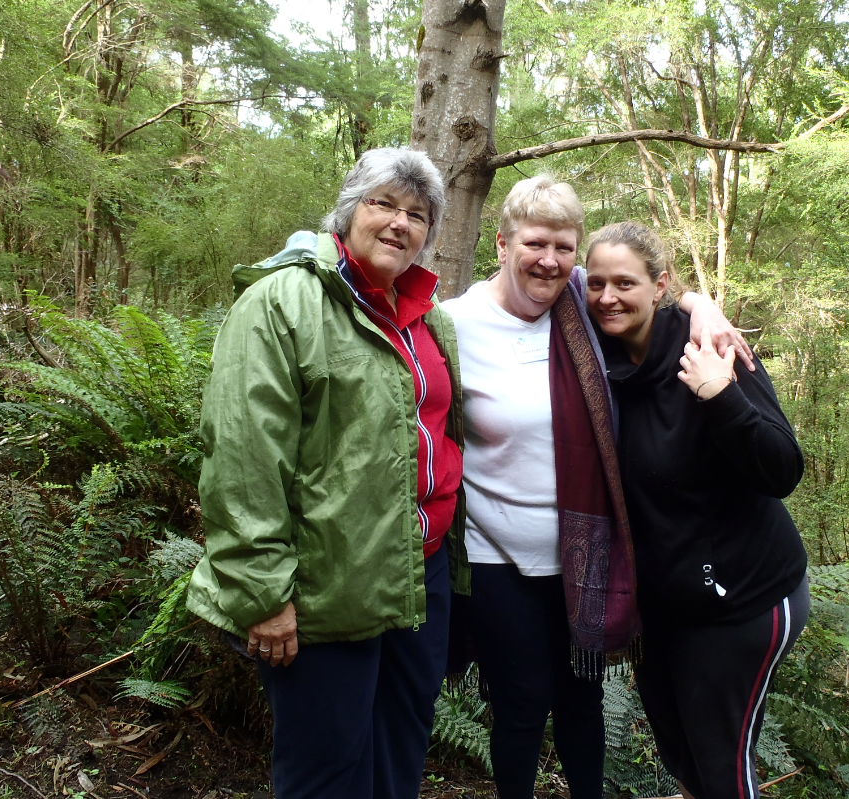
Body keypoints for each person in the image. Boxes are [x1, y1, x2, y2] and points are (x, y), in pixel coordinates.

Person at [441, 178, 752, 799]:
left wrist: (705, 307)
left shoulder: (583, 303)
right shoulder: (453, 324)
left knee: (582, 702)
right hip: (494, 553)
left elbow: (659, 295)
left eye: (563, 247)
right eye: (534, 243)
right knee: (524, 703)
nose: (549, 260)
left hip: (582, 556)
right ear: (502, 244)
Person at [186, 148, 467, 799]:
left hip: (419, 576)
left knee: (400, 750)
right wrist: (263, 594)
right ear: (349, 210)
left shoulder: (431, 320)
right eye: (384, 203)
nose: (400, 223)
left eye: (418, 214)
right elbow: (243, 456)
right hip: (323, 586)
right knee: (326, 770)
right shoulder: (282, 303)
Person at [584, 221, 809, 799]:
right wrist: (697, 296)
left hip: (745, 600)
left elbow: (782, 468)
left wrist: (721, 396)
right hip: (667, 608)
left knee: (721, 768)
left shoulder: (710, 349)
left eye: (626, 284)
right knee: (683, 759)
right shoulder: (597, 350)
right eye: (599, 283)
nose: (608, 297)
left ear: (658, 286)